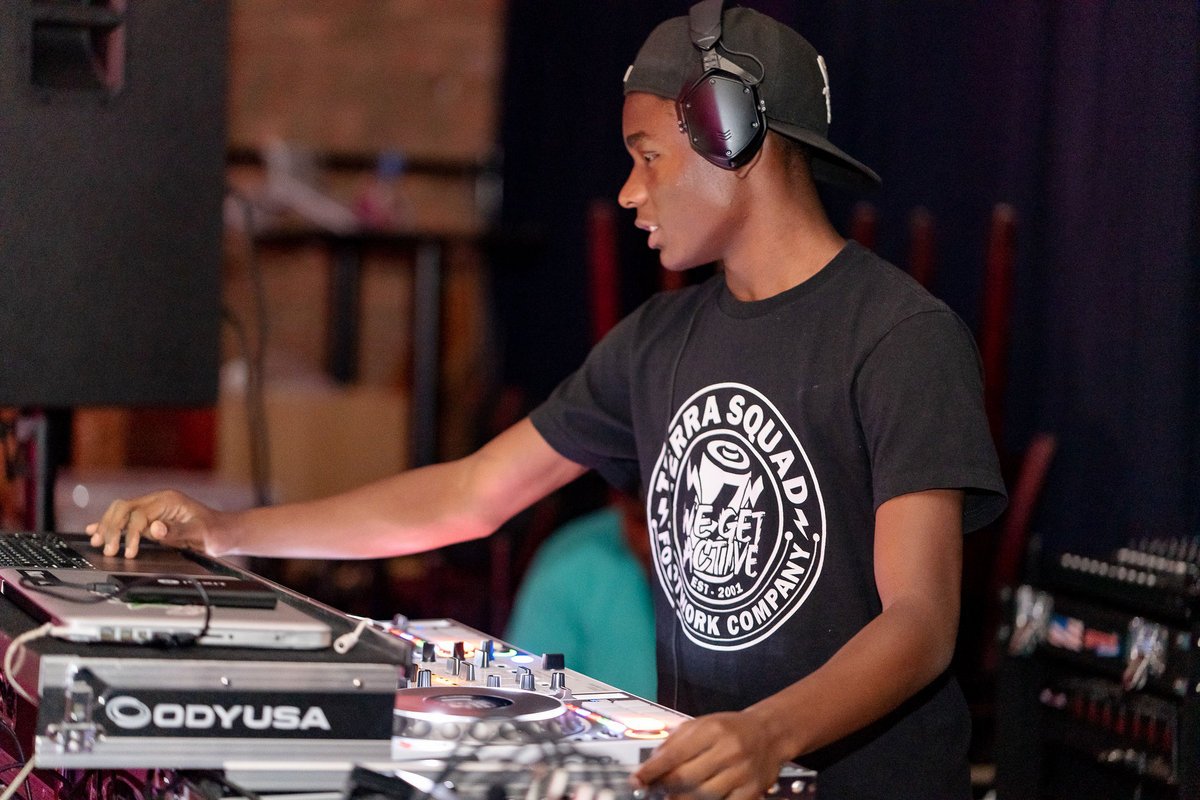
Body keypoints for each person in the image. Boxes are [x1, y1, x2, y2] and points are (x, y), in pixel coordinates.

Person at [89, 3, 1006, 798]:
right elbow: (469, 494)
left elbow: (920, 622)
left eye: (648, 157)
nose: (630, 191)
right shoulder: (657, 341)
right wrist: (226, 531)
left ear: (731, 135)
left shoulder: (900, 338)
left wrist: (770, 732)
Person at [505, 491, 656, 699]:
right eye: (642, 522)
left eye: (671, 525)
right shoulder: (569, 564)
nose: (654, 543)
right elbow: (525, 689)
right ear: (618, 501)